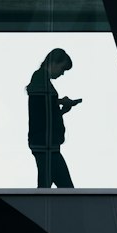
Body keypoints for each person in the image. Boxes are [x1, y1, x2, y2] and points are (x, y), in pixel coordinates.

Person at [27, 47, 81, 188]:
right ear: (54, 63)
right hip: (46, 146)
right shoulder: (40, 78)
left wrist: (60, 106)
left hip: (46, 145)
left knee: (52, 187)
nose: (62, 73)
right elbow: (44, 109)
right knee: (62, 189)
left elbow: (43, 110)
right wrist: (60, 105)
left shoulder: (40, 80)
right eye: (62, 69)